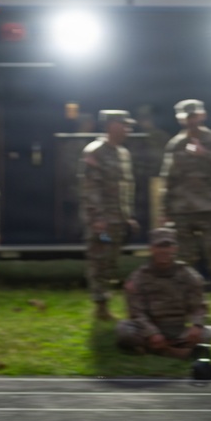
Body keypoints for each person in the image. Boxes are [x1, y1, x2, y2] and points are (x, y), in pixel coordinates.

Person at [160, 99, 211, 316]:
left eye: (194, 116)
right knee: (184, 261)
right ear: (181, 120)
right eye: (186, 117)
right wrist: (164, 210)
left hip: (209, 208)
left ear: (202, 116)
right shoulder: (176, 144)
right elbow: (168, 180)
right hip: (182, 210)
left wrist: (205, 153)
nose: (191, 121)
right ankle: (189, 305)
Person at [116, 227, 211, 358]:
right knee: (124, 330)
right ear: (151, 248)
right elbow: (136, 312)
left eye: (168, 246)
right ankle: (174, 349)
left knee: (210, 332)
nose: (164, 251)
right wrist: (152, 333)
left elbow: (199, 306)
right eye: (159, 246)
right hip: (150, 328)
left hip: (179, 330)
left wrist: (196, 325)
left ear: (175, 248)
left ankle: (157, 348)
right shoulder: (139, 277)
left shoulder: (188, 275)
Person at [78, 110, 139, 321]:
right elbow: (90, 189)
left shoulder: (122, 153)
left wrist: (127, 216)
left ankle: (105, 303)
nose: (127, 130)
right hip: (102, 222)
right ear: (111, 126)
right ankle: (100, 306)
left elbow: (125, 188)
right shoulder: (95, 151)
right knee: (99, 262)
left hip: (117, 220)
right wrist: (97, 219)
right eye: (124, 125)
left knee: (111, 262)